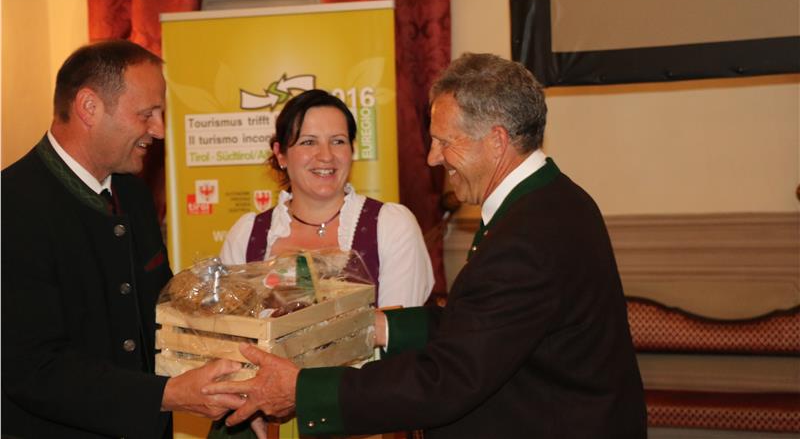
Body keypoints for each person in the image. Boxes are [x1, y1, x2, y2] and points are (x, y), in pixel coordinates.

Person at [203, 53, 648, 438]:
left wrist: (302, 392)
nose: (433, 157)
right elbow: (482, 325)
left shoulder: (527, 234)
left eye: (443, 142)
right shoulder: (551, 201)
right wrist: (377, 325)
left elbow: (449, 377)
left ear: (496, 141)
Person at [1, 40, 246, 439]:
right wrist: (166, 395)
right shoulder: (11, 206)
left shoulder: (132, 194)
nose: (159, 130)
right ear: (89, 107)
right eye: (147, 114)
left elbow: (157, 313)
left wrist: (236, 371)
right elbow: (32, 368)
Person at [220, 89, 434, 309]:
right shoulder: (246, 236)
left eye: (338, 141)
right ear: (280, 154)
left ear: (352, 150)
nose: (326, 155)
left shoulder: (392, 226)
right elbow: (228, 324)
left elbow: (397, 326)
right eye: (308, 142)